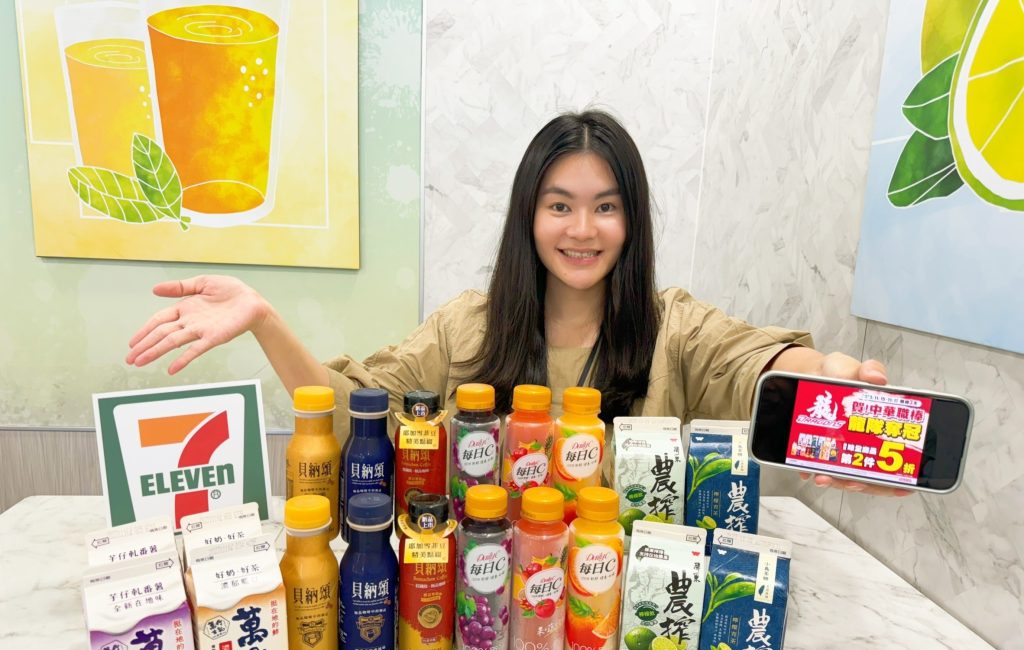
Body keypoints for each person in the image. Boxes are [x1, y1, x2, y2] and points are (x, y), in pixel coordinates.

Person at [127, 110, 902, 496]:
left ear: (632, 221)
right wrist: (265, 321)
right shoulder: (466, 327)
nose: (582, 229)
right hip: (479, 620)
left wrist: (824, 380)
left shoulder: (675, 328)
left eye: (606, 207)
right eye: (560, 205)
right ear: (529, 215)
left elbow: (752, 363)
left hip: (613, 635)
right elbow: (352, 411)